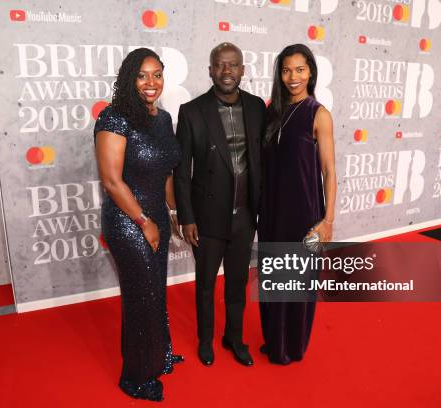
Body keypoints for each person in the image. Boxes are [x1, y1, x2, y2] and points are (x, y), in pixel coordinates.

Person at [94, 48, 183, 401]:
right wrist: (143, 220)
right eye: (143, 75)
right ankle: (134, 377)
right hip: (128, 219)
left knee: (155, 292)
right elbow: (112, 180)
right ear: (130, 79)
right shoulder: (114, 118)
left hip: (156, 216)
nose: (151, 83)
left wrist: (173, 214)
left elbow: (165, 173)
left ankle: (157, 356)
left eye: (157, 74)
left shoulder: (163, 120)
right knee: (139, 298)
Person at [173, 43, 266, 367]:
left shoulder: (257, 108)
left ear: (243, 70)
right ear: (210, 70)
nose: (227, 71)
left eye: (233, 65)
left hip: (245, 216)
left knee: (238, 283)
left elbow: (264, 160)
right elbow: (182, 172)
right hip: (208, 217)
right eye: (220, 65)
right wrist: (186, 217)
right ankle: (205, 340)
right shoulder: (192, 111)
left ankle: (234, 338)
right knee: (205, 285)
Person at [258, 44, 337, 364]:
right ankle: (275, 342)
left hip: (304, 212)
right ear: (279, 73)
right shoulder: (271, 112)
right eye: (286, 70)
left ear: (311, 73)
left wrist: (328, 220)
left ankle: (293, 346)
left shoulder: (318, 113)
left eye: (300, 69)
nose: (293, 77)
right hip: (272, 210)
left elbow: (330, 171)